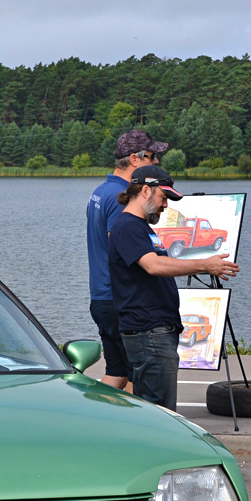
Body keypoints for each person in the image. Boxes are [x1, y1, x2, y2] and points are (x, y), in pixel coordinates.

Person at [108, 165, 238, 410]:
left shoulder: (140, 228)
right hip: (148, 332)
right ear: (145, 190)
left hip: (155, 332)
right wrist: (204, 265)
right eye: (163, 197)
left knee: (156, 409)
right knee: (161, 412)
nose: (166, 205)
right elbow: (154, 265)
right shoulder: (127, 226)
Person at [87, 130, 168, 390]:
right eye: (152, 156)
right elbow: (121, 246)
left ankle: (93, 422)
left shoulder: (102, 190)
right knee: (137, 378)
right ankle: (131, 428)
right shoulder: (122, 197)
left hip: (102, 297)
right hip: (119, 300)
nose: (156, 162)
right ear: (134, 159)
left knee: (116, 373)